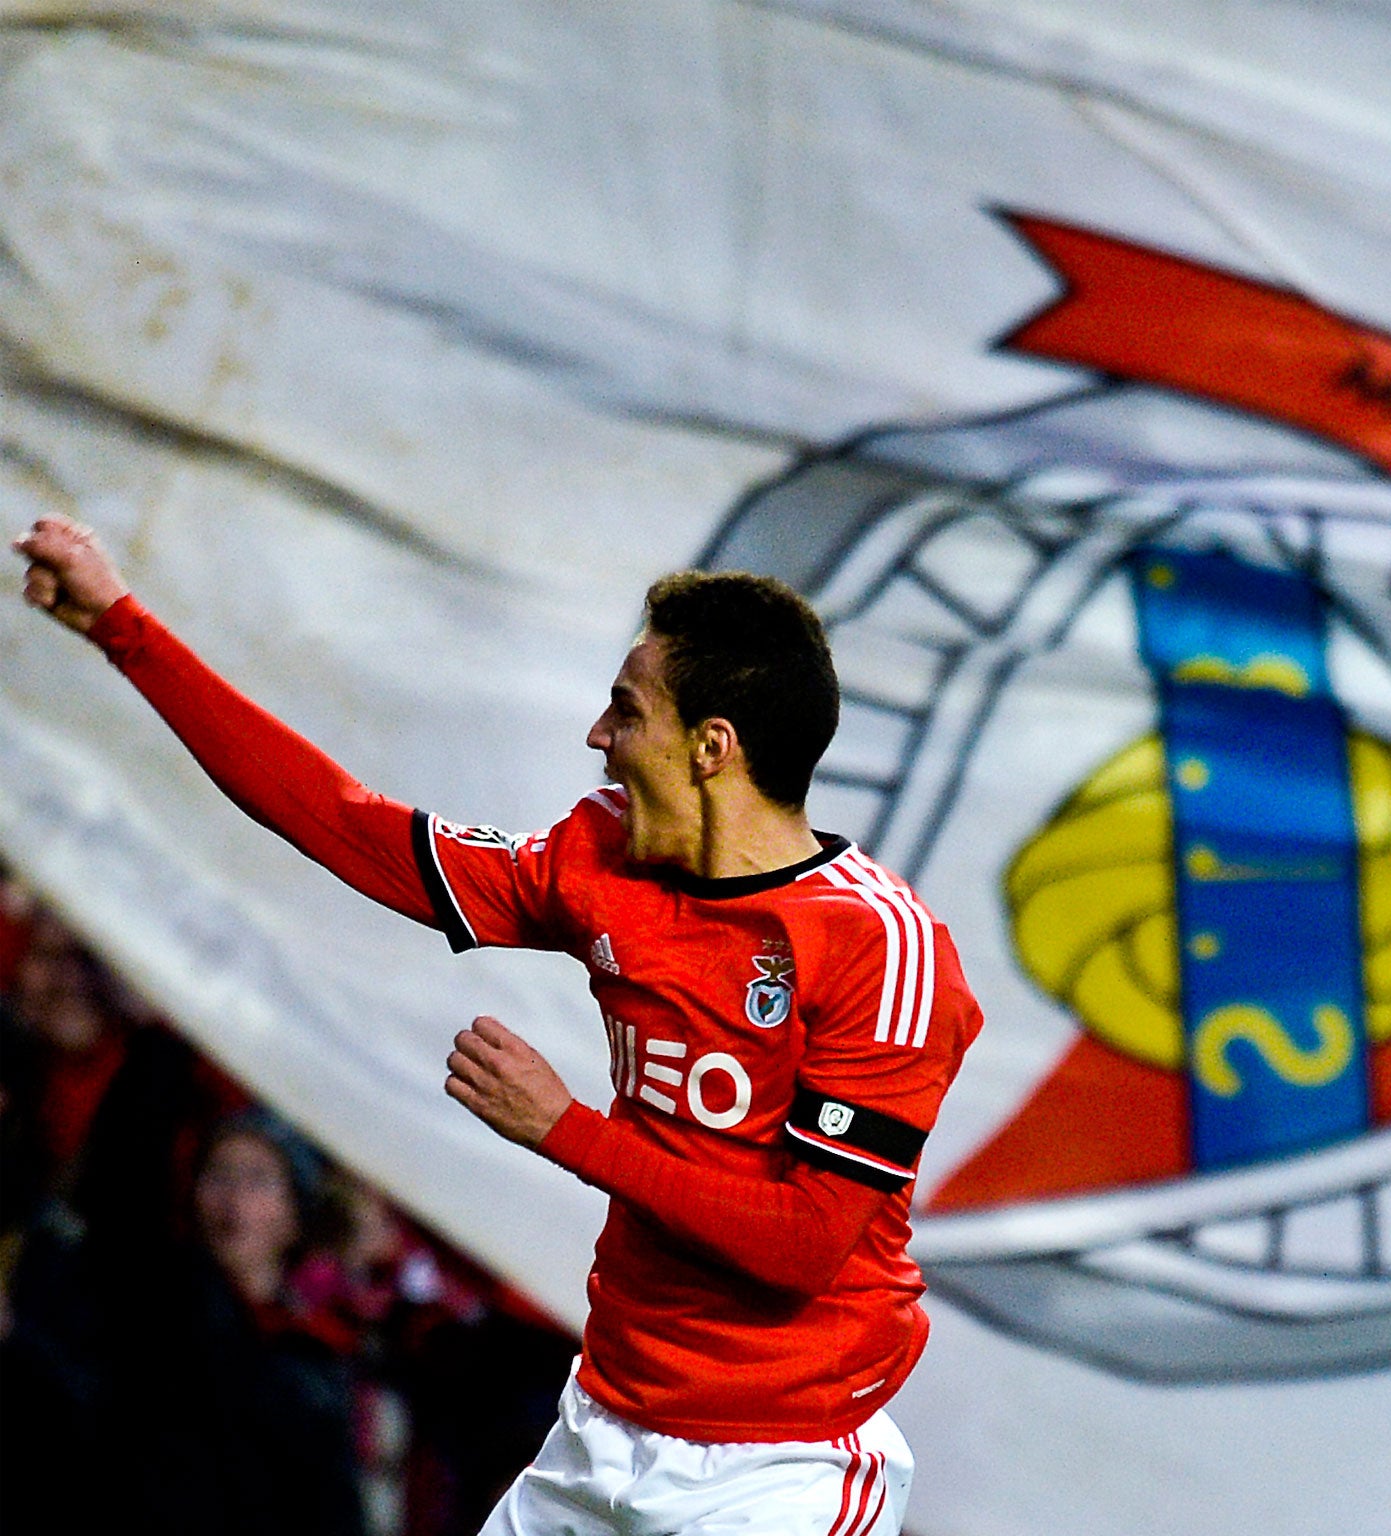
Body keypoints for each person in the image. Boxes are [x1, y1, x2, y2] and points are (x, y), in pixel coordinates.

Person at [13, 514, 983, 1536]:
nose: (597, 737)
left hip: (777, 1469)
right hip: (601, 1427)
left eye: (626, 711)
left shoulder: (878, 949)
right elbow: (351, 826)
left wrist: (564, 1129)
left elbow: (805, 1246)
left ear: (712, 748)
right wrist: (123, 629)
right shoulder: (602, 859)